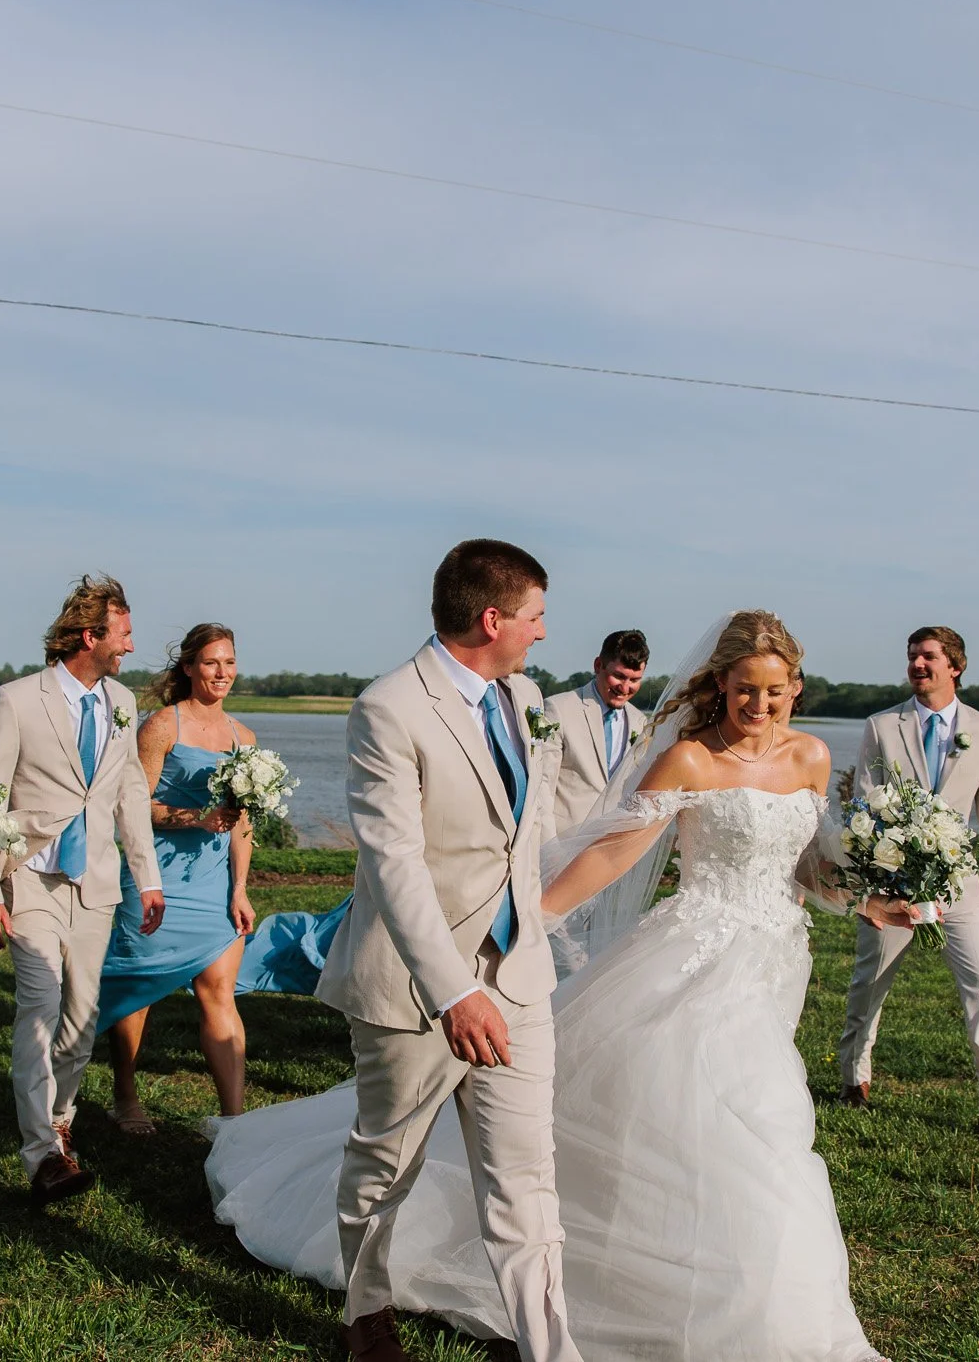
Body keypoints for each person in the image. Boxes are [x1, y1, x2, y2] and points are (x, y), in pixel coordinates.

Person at [205, 611, 897, 1359]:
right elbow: (614, 855)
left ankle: (717, 1281)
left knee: (767, 1113)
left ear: (796, 687)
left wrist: (867, 897)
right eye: (744, 690)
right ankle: (735, 1305)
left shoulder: (815, 757)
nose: (760, 706)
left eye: (775, 691)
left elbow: (804, 866)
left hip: (774, 962)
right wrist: (530, 918)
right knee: (738, 1120)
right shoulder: (692, 760)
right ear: (719, 685)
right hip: (696, 959)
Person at [234, 539, 580, 1362]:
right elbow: (393, 864)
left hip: (521, 977)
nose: (543, 631)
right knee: (386, 1160)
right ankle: (367, 1307)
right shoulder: (389, 707)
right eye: (535, 615)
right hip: (414, 988)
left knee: (527, 1180)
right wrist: (455, 990)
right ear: (492, 617)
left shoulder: (524, 694)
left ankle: (547, 1348)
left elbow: (522, 836)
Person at [0, 575, 166, 1205]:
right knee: (40, 1005)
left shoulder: (122, 704)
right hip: (29, 876)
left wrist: (148, 876)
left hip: (96, 884)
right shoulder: (16, 700)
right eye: (124, 633)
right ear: (91, 635)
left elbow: (130, 793)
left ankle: (60, 1126)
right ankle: (42, 1155)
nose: (131, 646)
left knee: (80, 1021)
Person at [835, 626, 979, 1144]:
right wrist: (870, 889)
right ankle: (853, 1078)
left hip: (959, 887)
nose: (917, 664)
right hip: (893, 887)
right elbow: (863, 809)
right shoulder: (882, 726)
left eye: (928, 657)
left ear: (954, 665)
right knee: (869, 984)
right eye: (912, 656)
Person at [97, 623, 259, 1134]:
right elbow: (133, 805)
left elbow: (243, 823)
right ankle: (126, 1094)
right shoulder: (161, 727)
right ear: (188, 667)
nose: (222, 672)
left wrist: (240, 889)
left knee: (219, 992)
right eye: (211, 662)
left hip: (214, 886)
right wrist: (194, 817)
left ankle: (234, 1120)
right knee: (137, 992)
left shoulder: (244, 737)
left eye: (229, 662)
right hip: (155, 879)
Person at [543, 629, 649, 834]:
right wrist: (550, 854)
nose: (625, 688)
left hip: (611, 848)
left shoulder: (640, 722)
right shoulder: (558, 709)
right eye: (619, 676)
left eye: (634, 680)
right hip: (562, 846)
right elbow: (542, 790)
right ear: (598, 665)